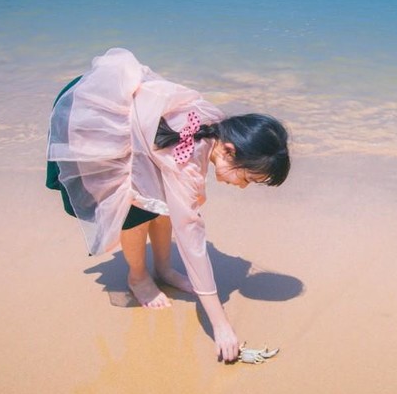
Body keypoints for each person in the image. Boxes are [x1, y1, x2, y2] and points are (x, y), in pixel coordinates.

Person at [46, 48, 290, 362]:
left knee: (160, 202)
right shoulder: (186, 164)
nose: (242, 187)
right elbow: (192, 242)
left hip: (132, 122)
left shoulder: (216, 123)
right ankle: (138, 277)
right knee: (133, 210)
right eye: (248, 178)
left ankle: (162, 269)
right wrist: (221, 325)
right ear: (229, 150)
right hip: (94, 113)